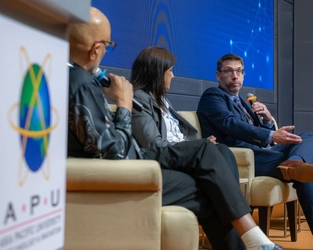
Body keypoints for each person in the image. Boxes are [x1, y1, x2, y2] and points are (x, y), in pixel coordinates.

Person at [67, 7, 287, 250]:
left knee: (212, 172)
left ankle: (255, 242)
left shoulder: (79, 81)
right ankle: (256, 241)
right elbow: (116, 154)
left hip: (133, 162)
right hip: (126, 170)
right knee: (207, 178)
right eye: (108, 46)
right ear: (95, 49)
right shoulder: (81, 83)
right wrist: (124, 105)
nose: (173, 75)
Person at [196, 53, 313, 250]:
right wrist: (271, 136)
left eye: (239, 71)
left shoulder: (242, 102)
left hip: (263, 152)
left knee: (306, 136)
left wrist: (267, 120)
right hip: (244, 158)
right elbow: (229, 124)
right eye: (229, 71)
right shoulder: (213, 96)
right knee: (303, 173)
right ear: (218, 75)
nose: (235, 76)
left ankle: (294, 163)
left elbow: (262, 133)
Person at [130, 46, 239, 182]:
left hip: (182, 152)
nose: (173, 75)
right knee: (217, 152)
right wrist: (197, 146)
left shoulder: (163, 100)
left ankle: (232, 201)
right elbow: (153, 144)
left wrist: (199, 144)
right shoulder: (139, 98)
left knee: (222, 150)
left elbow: (178, 135)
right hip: (167, 156)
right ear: (157, 72)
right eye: (170, 71)